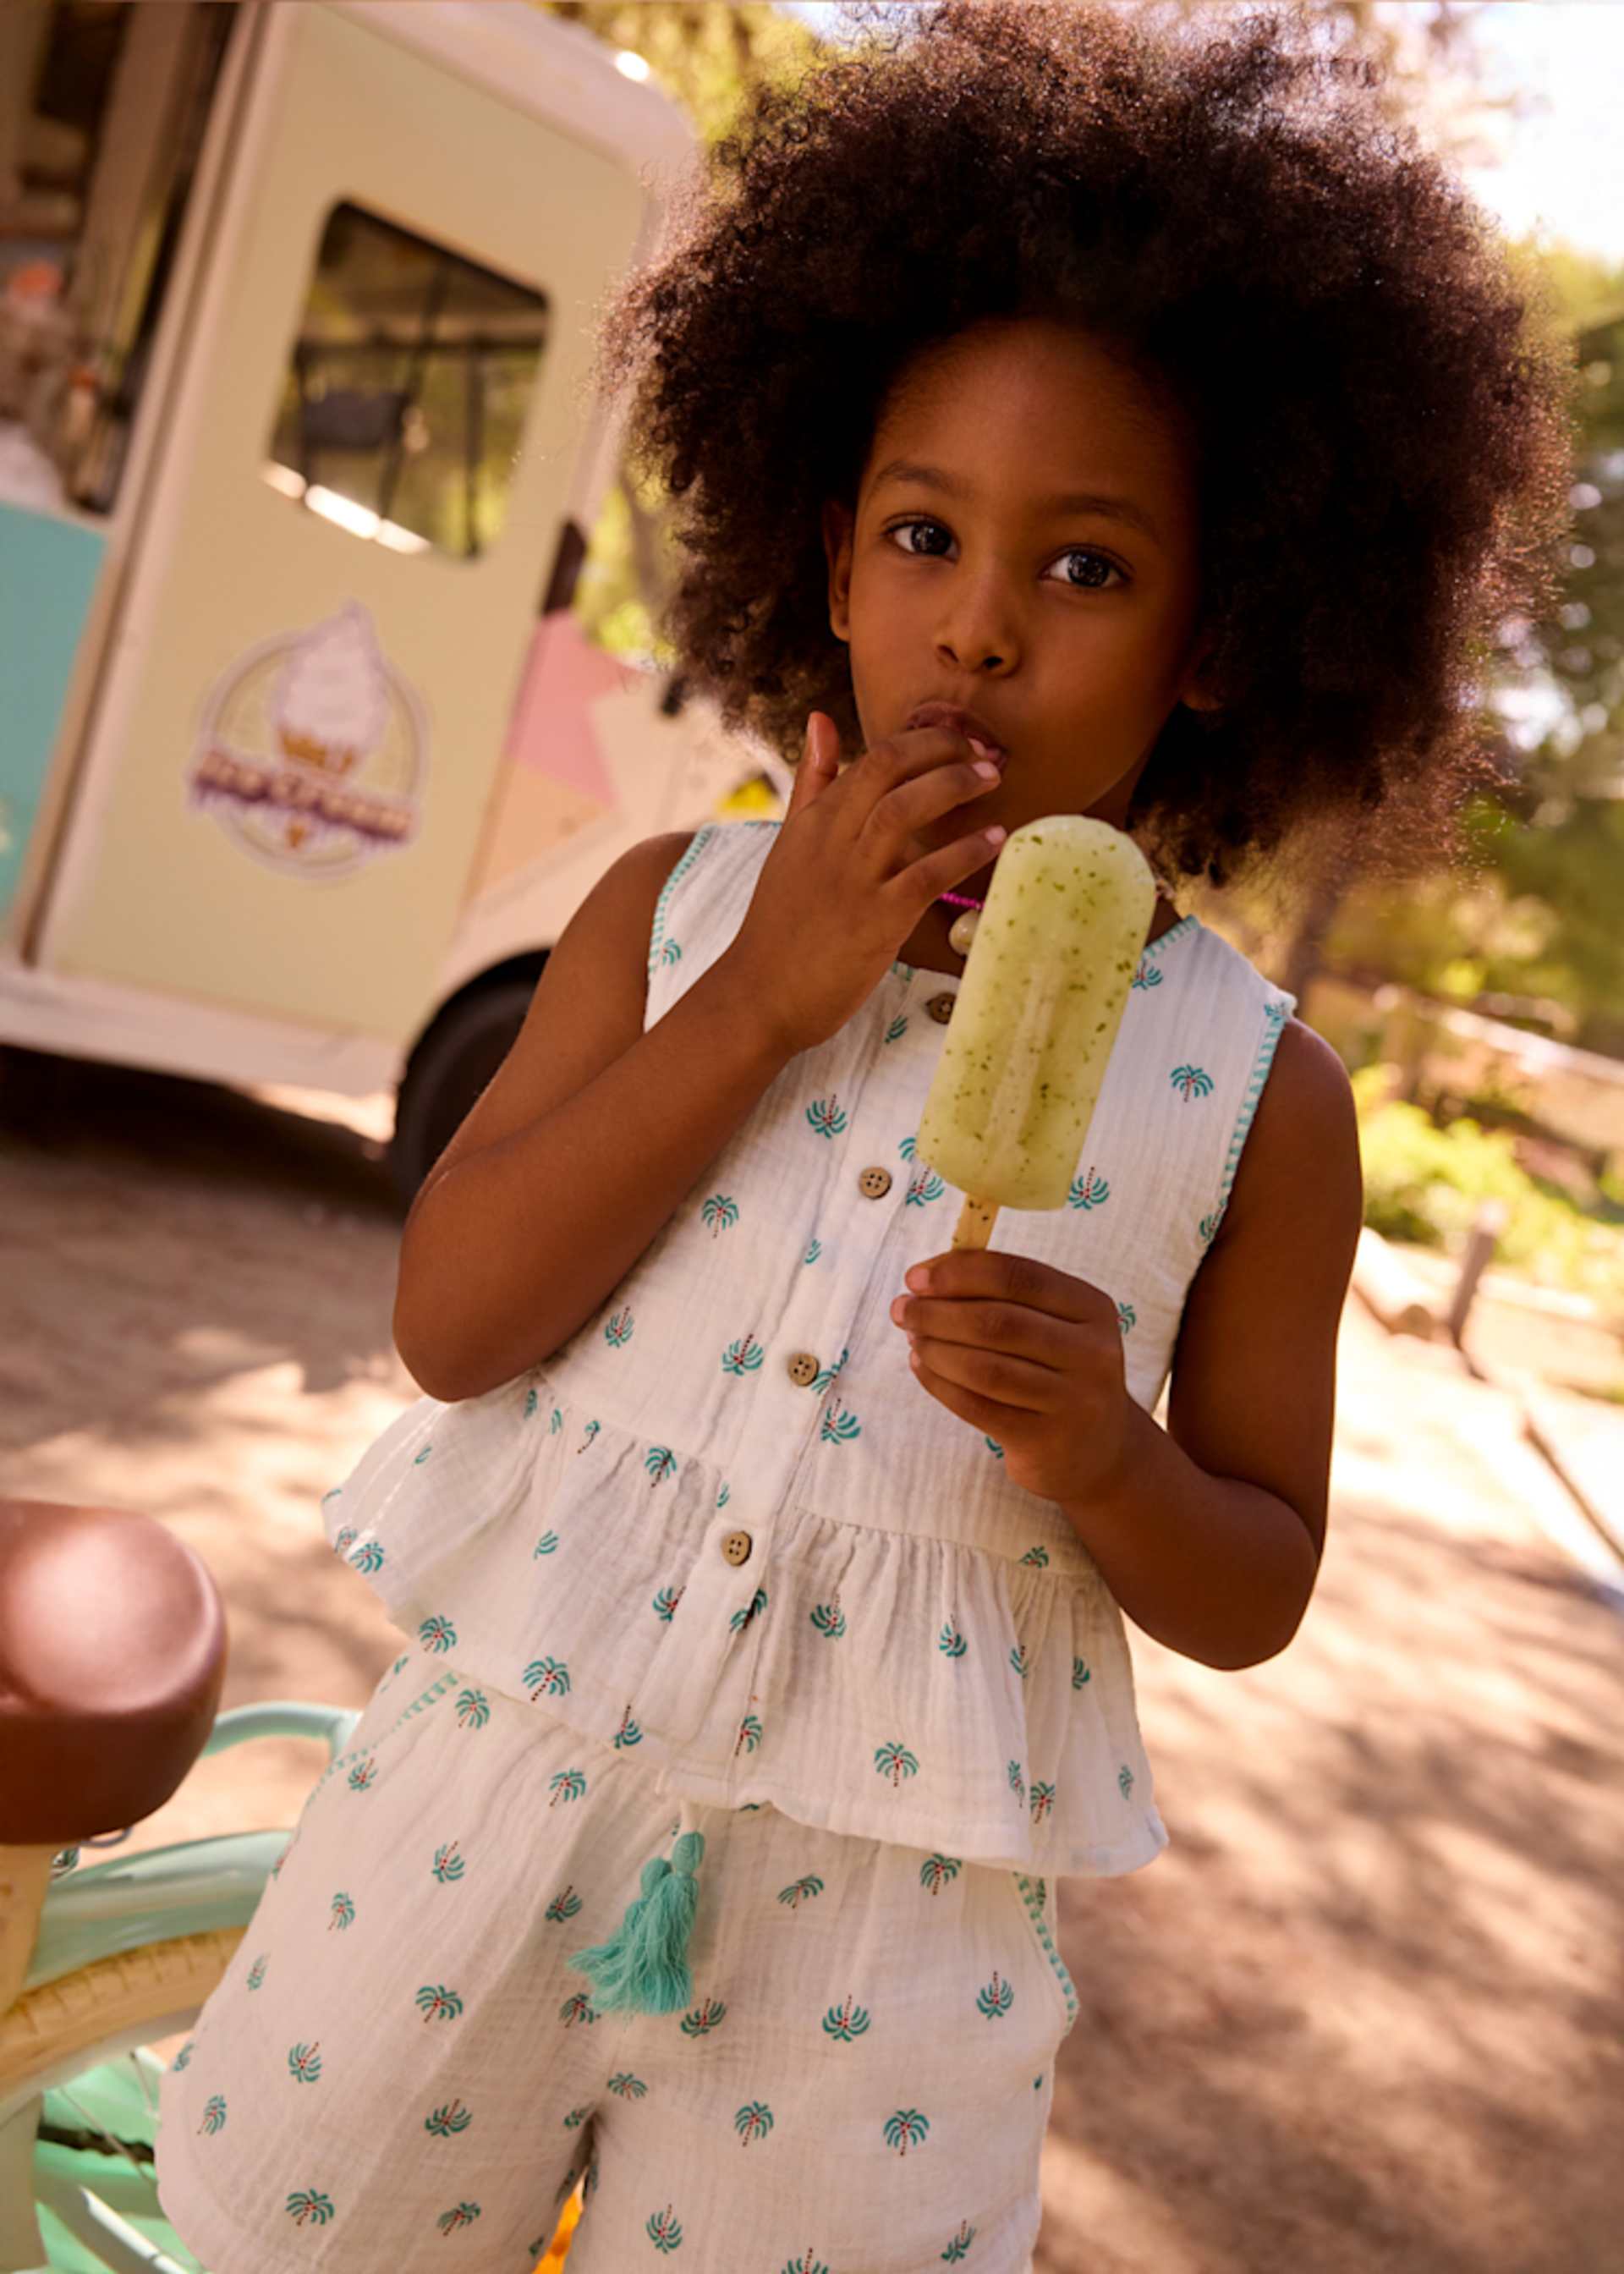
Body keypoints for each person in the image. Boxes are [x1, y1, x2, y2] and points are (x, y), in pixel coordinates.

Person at [156, 3, 1575, 2266]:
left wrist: (1107, 1454)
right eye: (927, 534)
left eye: (1089, 569)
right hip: (488, 1813)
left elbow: (1261, 1576)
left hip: (886, 1937)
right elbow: (454, 1318)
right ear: (830, 562)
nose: (983, 629)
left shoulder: (1261, 1103)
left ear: (1224, 636)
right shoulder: (674, 912)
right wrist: (767, 1004)